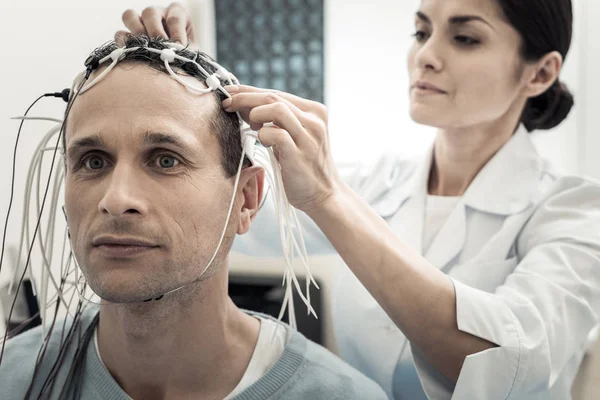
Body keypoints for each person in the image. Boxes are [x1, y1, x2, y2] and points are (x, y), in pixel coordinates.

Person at [126, 1, 600, 399]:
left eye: (465, 39)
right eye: (421, 31)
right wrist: (181, 96)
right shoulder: (379, 182)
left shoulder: (573, 211)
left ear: (540, 73)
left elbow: (513, 363)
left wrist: (329, 198)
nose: (425, 56)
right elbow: (224, 218)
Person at [0, 36, 387, 400]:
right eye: (93, 161)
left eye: (166, 160)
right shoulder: (13, 377)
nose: (116, 200)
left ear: (246, 199)